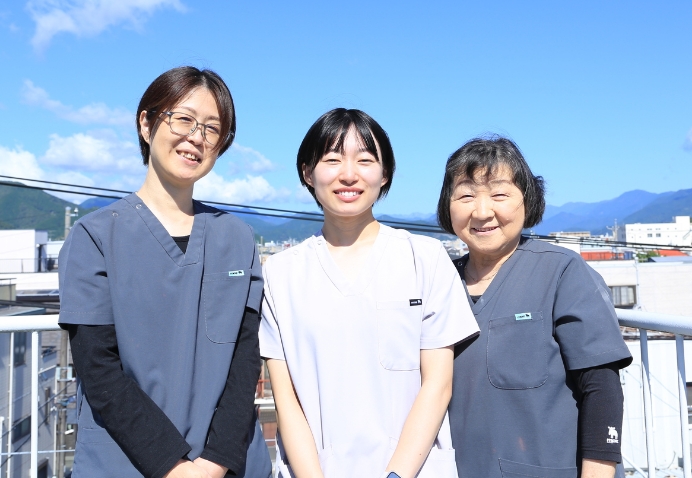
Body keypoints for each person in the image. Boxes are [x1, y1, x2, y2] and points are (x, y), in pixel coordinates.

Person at [58, 66, 272, 478]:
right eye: (183, 118)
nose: (197, 137)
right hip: (127, 464)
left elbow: (246, 360)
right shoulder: (95, 236)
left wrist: (214, 462)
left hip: (228, 464)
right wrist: (174, 467)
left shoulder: (237, 238)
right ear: (146, 123)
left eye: (213, 128)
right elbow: (98, 368)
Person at [259, 108, 479, 478]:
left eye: (365, 160)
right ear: (307, 173)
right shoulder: (280, 274)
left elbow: (438, 385)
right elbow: (287, 400)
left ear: (385, 173)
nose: (349, 174)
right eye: (332, 159)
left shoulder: (424, 258)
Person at [436, 136, 633, 478]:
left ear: (527, 200)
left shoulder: (562, 271)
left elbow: (601, 387)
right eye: (466, 196)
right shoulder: (438, 282)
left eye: (499, 195)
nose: (481, 212)